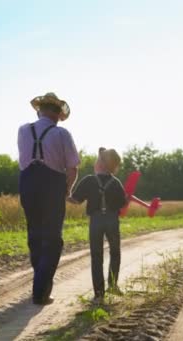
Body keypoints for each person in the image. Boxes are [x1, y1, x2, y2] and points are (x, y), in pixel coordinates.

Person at [17, 92, 80, 305]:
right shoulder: (62, 134)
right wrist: (67, 190)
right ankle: (40, 291)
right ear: (56, 113)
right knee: (53, 239)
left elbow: (23, 160)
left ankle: (40, 282)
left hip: (27, 181)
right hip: (52, 183)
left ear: (40, 110)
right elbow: (72, 168)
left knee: (34, 233)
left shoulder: (23, 130)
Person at [68, 148, 127, 301]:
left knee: (96, 256)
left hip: (95, 221)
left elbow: (75, 200)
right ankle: (113, 285)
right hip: (112, 220)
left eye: (97, 159)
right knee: (115, 252)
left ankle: (99, 294)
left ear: (101, 164)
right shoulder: (116, 183)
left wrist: (65, 194)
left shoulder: (89, 180)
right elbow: (122, 204)